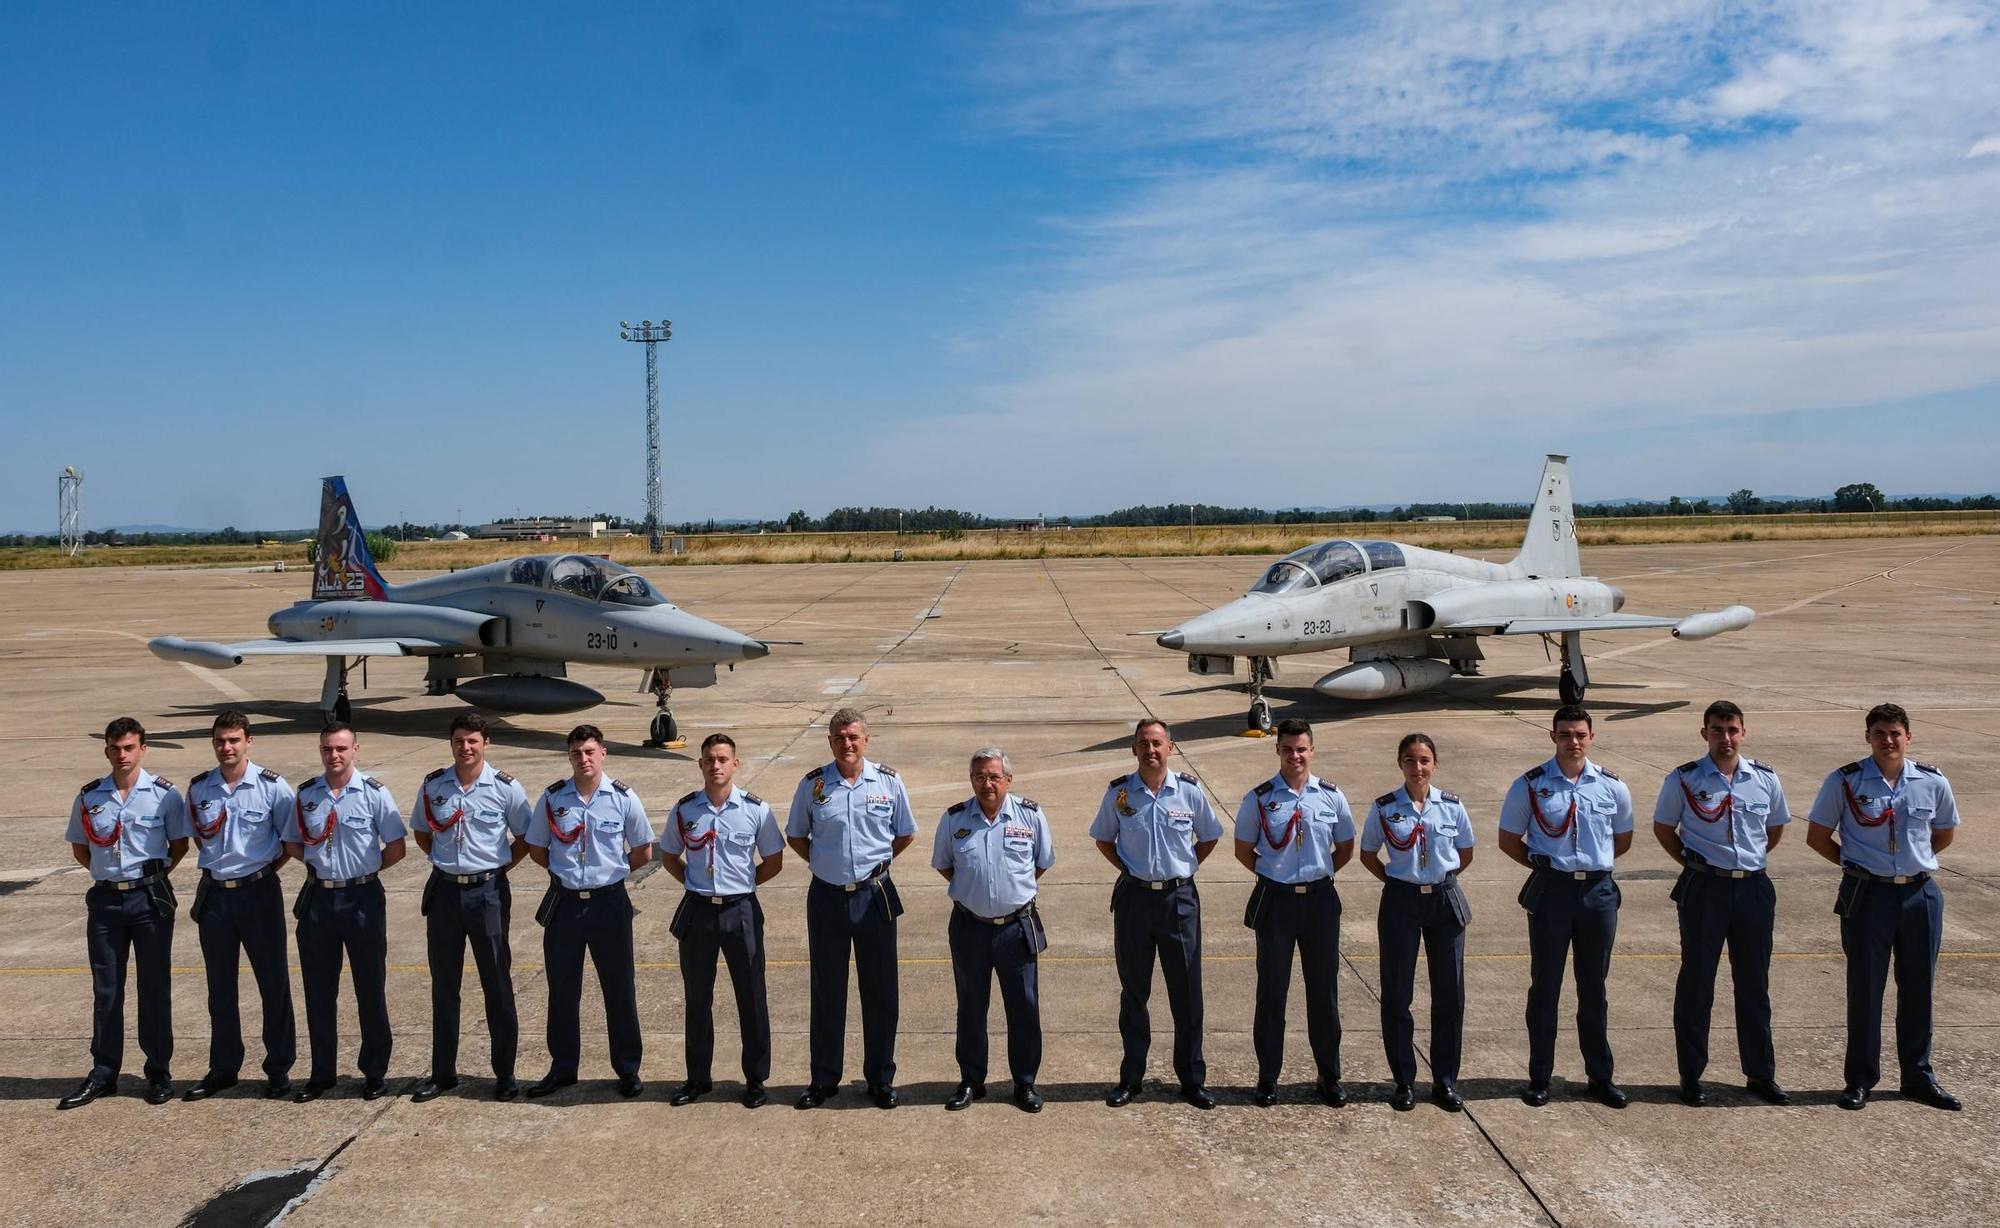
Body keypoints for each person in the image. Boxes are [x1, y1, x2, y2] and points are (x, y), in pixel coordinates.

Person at [1805, 703, 1962, 1111]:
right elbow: (1819, 835)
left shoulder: (1932, 781)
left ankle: (1918, 1076)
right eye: (1879, 733)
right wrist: (1857, 865)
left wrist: (1910, 864)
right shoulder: (1846, 781)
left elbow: (1942, 834)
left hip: (1918, 894)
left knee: (1918, 988)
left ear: (1908, 736)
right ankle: (1859, 1079)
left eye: (1895, 733)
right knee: (1865, 989)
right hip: (1867, 896)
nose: (1888, 740)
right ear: (1867, 737)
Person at [1651, 700, 1791, 1107]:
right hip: (1705, 889)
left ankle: (1760, 1073)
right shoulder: (1685, 779)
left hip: (1753, 888)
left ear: (1743, 732)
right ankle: (1691, 1075)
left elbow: (1775, 828)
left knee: (1754, 984)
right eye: (1717, 729)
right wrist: (1695, 865)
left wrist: (1746, 863)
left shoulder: (1764, 778)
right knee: (1697, 983)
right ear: (1704, 734)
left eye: (1732, 730)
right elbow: (1664, 828)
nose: (1725, 738)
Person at [1497, 704, 1633, 1109]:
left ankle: (1600, 1076)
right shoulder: (1531, 785)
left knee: (1594, 988)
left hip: (1597, 894)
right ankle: (1540, 1076)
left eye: (1579, 734)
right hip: (1552, 892)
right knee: (1546, 988)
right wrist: (1547, 868)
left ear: (1591, 737)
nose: (1573, 742)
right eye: (1564, 734)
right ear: (1552, 737)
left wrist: (1588, 869)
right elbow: (1509, 839)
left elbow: (1621, 840)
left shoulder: (1612, 786)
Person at [787, 708, 918, 1109]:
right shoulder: (813, 786)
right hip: (826, 897)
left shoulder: (889, 783)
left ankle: (880, 1078)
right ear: (830, 742)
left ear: (866, 739)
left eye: (853, 736)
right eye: (840, 737)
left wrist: (872, 866)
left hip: (873, 895)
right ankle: (824, 1079)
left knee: (880, 990)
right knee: (827, 990)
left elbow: (904, 833)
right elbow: (796, 836)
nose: (847, 743)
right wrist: (828, 864)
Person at [58, 717, 191, 1109]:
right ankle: (104, 1072)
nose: (122, 755)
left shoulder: (164, 795)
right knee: (106, 990)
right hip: (106, 902)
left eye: (129, 747)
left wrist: (147, 879)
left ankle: (159, 1072)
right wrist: (110, 876)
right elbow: (81, 848)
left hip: (148, 901)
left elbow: (178, 845)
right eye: (115, 749)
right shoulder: (90, 796)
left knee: (154, 987)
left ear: (143, 749)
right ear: (106, 752)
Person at [1092, 718, 1224, 1109]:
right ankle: (1131, 1078)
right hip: (1134, 900)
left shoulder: (1188, 791)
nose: (1151, 750)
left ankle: (1192, 1079)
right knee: (1134, 993)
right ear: (1134, 749)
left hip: (1178, 901)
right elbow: (1104, 839)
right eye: (1143, 743)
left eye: (1157, 743)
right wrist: (1132, 870)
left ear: (1171, 748)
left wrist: (1183, 869)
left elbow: (1211, 835)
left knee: (1186, 993)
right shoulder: (1119, 793)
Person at [524, 725, 655, 1099]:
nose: (584, 759)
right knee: (562, 990)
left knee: (619, 989)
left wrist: (609, 876)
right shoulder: (553, 799)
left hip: (610, 903)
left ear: (604, 754)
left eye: (590, 751)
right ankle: (563, 1068)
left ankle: (627, 1069)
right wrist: (568, 875)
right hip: (565, 905)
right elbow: (537, 848)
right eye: (577, 752)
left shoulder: (623, 798)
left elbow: (643, 850)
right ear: (570, 757)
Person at [409, 713, 534, 1104]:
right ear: (451, 744)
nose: (466, 747)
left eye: (473, 741)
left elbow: (525, 837)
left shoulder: (505, 789)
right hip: (445, 892)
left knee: (497, 983)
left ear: (486, 744)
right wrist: (450, 865)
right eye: (459, 741)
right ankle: (443, 1073)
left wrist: (494, 870)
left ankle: (505, 1073)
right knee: (445, 986)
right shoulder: (434, 785)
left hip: (488, 894)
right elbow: (422, 832)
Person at [1232, 718, 1354, 1108]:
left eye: (1301, 749)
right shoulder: (1259, 798)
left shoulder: (1332, 796)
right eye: (1288, 749)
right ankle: (1268, 1077)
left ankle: (1329, 1076)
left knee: (1324, 993)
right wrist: (1277, 875)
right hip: (1276, 902)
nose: (1295, 756)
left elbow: (1346, 846)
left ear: (1312, 751)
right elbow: (1243, 849)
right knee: (1272, 993)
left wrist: (1315, 874)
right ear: (1278, 751)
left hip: (1319, 901)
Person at [659, 733, 784, 1109]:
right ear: (700, 765)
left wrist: (742, 887)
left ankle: (756, 1079)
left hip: (741, 911)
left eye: (723, 759)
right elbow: (668, 855)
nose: (716, 765)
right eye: (709, 759)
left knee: (751, 997)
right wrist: (697, 886)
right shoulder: (685, 810)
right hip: (698, 912)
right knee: (698, 998)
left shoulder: (755, 810)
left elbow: (773, 860)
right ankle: (698, 1078)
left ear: (735, 764)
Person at [284, 722, 406, 1102]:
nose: (333, 756)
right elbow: (293, 843)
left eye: (340, 749)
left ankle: (374, 1071)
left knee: (370, 987)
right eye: (327, 749)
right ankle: (322, 1073)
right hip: (320, 899)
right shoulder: (306, 795)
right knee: (319, 990)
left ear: (356, 749)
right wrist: (327, 871)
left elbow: (396, 847)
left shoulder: (373, 794)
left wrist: (361, 872)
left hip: (362, 898)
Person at [183, 711, 298, 1101]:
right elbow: (201, 839)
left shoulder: (272, 787)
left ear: (248, 741)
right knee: (220, 987)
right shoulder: (200, 789)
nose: (226, 747)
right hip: (216, 895)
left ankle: (279, 1068)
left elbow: (288, 841)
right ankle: (224, 1067)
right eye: (219, 741)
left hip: (259, 892)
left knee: (272, 983)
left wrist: (257, 871)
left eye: (233, 740)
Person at [933, 747, 1054, 1113]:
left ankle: (1025, 1083)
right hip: (970, 927)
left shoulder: (1030, 815)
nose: (987, 784)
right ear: (971, 780)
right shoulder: (954, 819)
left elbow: (1041, 863)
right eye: (979, 777)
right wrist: (976, 893)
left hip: (1016, 928)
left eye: (993, 777)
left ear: (1008, 780)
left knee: (1024, 1006)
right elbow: (944, 865)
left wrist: (1009, 894)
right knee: (971, 1006)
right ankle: (971, 1080)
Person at [1359, 732, 1475, 1112]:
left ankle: (1444, 1081)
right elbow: (1368, 853)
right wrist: (1398, 881)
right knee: (1396, 993)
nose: (1418, 767)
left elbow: (1465, 852)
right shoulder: (1384, 807)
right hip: (1401, 901)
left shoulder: (1452, 807)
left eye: (1424, 760)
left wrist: (1438, 880)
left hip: (1443, 900)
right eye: (1410, 760)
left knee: (1450, 994)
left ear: (1434, 764)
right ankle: (1403, 1080)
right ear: (1400, 764)